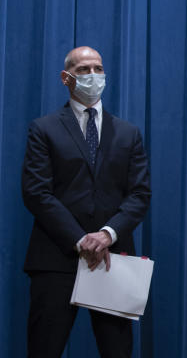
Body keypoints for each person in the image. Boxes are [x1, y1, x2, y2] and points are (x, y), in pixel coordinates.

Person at [21, 46, 151, 358]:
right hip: (56, 258)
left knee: (117, 351)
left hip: (113, 261)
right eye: (83, 70)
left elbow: (139, 194)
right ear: (66, 78)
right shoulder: (44, 129)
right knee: (44, 349)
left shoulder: (128, 133)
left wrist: (106, 234)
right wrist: (82, 240)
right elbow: (37, 192)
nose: (93, 75)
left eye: (97, 68)